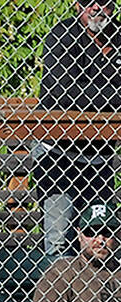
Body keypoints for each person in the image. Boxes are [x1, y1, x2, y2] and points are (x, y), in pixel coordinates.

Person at [35, 0, 121, 258]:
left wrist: (95, 95)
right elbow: (65, 94)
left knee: (102, 237)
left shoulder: (117, 37)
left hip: (101, 156)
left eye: (104, 3)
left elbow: (79, 93)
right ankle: (56, 295)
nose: (96, 8)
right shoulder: (62, 36)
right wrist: (114, 95)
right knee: (59, 238)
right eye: (88, 2)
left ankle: (96, 297)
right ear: (76, 5)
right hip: (57, 153)